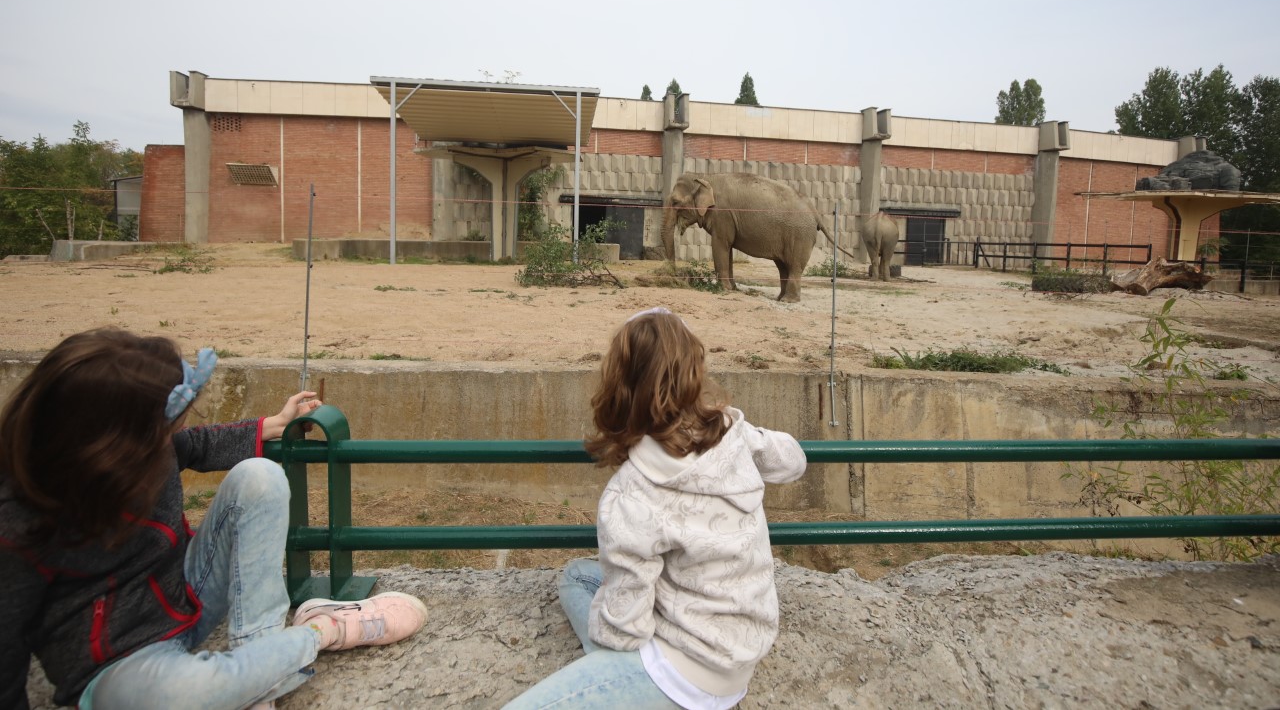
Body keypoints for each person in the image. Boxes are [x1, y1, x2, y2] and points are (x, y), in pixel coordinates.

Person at [0, 328, 429, 710]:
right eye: (168, 418)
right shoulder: (19, 522)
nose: (176, 427)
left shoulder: (148, 447)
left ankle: (258, 649)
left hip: (187, 598)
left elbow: (197, 445)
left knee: (259, 476)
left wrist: (272, 425)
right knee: (179, 696)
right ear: (110, 437)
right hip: (116, 670)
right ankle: (320, 633)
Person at [504, 307, 808, 709]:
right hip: (742, 653)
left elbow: (624, 630)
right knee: (577, 576)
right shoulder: (734, 433)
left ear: (620, 384)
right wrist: (750, 435)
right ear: (694, 371)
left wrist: (618, 648)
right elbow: (793, 461)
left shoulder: (632, 492)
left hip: (685, 673)